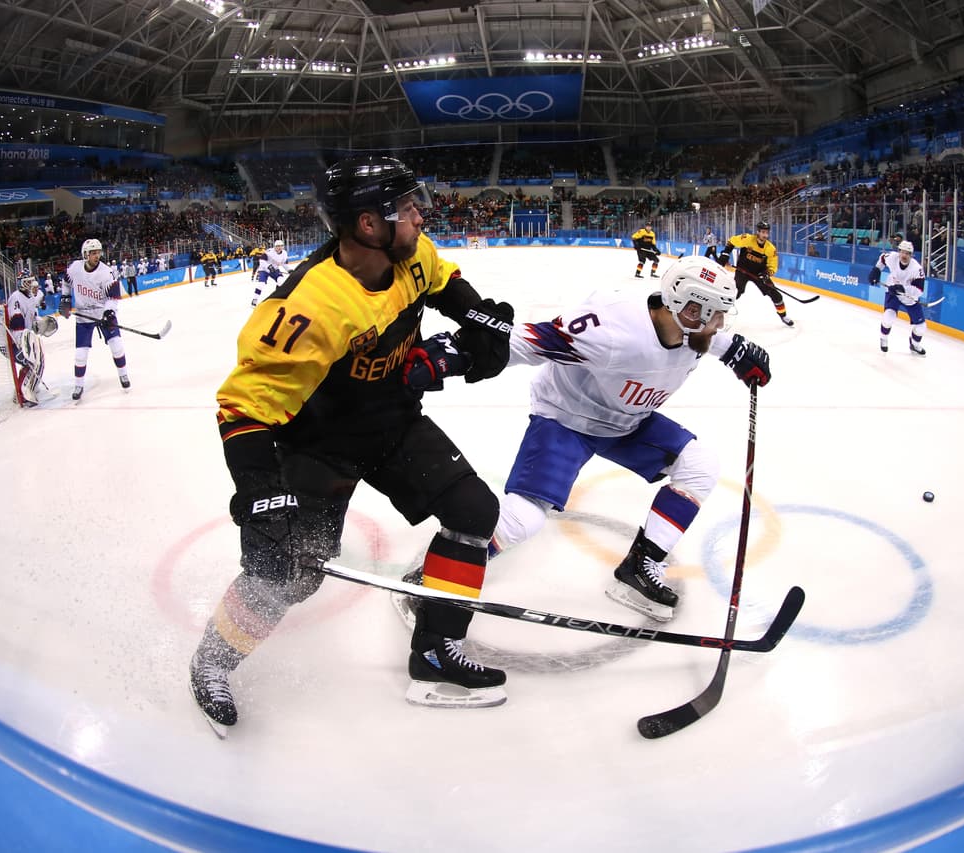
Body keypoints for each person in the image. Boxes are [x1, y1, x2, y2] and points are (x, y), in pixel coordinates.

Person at [188, 155, 516, 734]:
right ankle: (213, 661)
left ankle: (436, 647)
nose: (420, 217)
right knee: (290, 574)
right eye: (408, 209)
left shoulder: (410, 252)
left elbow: (444, 281)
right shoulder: (309, 306)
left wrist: (479, 321)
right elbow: (244, 406)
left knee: (474, 511)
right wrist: (262, 490)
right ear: (369, 225)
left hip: (392, 424)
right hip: (317, 446)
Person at [406, 256, 771, 622]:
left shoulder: (691, 330)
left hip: (627, 422)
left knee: (699, 464)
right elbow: (528, 342)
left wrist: (736, 351)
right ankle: (432, 581)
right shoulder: (613, 330)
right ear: (690, 311)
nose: (721, 325)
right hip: (566, 421)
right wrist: (460, 354)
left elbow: (714, 338)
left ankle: (639, 566)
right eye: (715, 315)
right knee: (524, 520)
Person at [59, 238, 130, 401]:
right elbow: (66, 282)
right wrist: (65, 299)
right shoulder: (75, 268)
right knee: (80, 354)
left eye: (98, 252)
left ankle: (124, 375)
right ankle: (78, 385)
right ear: (85, 254)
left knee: (117, 345)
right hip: (84, 317)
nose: (97, 255)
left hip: (102, 313)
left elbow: (113, 296)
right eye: (93, 253)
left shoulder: (106, 272)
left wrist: (109, 313)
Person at [0, 275, 55, 407]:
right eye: (28, 282)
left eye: (32, 281)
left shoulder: (31, 298)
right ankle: (22, 394)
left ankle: (25, 389)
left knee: (36, 361)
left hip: (20, 338)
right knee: (32, 362)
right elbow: (16, 324)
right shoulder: (16, 297)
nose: (32, 284)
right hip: (8, 342)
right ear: (22, 283)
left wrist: (41, 324)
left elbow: (31, 321)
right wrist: (22, 344)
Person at [719, 220, 792, 327]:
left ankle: (783, 316)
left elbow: (773, 265)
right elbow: (732, 241)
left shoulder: (770, 249)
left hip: (759, 275)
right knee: (735, 292)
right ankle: (720, 311)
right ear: (758, 232)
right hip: (742, 271)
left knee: (775, 294)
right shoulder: (747, 239)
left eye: (766, 232)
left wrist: (766, 274)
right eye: (762, 232)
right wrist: (726, 253)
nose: (765, 235)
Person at [868, 239, 928, 355]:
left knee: (921, 327)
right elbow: (882, 259)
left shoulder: (917, 269)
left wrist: (903, 289)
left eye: (907, 253)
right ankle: (883, 338)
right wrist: (876, 270)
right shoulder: (892, 257)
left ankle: (914, 344)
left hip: (909, 297)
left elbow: (919, 290)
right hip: (893, 292)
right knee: (889, 317)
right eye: (902, 252)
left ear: (911, 255)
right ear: (899, 251)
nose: (904, 255)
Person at [251, 239, 289, 307]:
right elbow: (261, 261)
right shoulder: (269, 251)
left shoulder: (284, 253)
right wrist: (269, 266)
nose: (279, 247)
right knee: (261, 284)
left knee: (281, 281)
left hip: (275, 270)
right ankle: (255, 299)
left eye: (281, 246)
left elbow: (284, 264)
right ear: (274, 246)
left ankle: (277, 296)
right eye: (277, 246)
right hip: (264, 270)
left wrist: (289, 270)